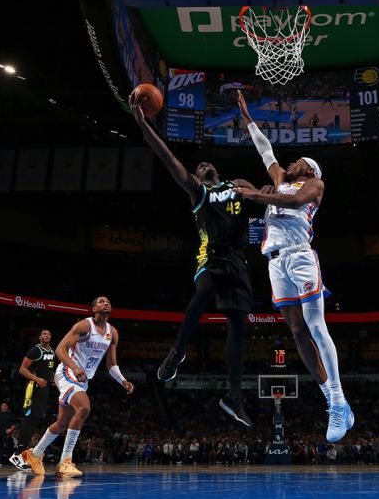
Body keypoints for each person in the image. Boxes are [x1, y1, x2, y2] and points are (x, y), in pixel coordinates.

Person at [235, 90, 353, 443]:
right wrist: (247, 117)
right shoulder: (280, 182)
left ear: (309, 169)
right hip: (275, 262)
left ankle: (337, 397)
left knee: (316, 326)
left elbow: (296, 199)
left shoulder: (313, 184)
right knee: (297, 333)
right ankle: (332, 400)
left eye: (298, 161)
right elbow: (264, 150)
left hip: (301, 257)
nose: (291, 163)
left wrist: (255, 195)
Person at [131, 92, 254, 428]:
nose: (202, 165)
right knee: (205, 290)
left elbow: (266, 197)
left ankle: (235, 398)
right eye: (198, 166)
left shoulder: (239, 184)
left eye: (205, 164)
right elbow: (168, 157)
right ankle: (178, 350)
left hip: (238, 260)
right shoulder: (199, 192)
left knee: (239, 327)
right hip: (209, 255)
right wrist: (144, 125)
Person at [21, 296, 134, 477]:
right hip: (67, 372)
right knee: (84, 407)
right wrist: (74, 366)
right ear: (93, 309)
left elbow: (111, 364)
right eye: (101, 301)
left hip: (82, 380)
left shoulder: (112, 333)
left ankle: (33, 455)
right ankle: (65, 461)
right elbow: (59, 349)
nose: (106, 303)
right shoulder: (84, 326)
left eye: (108, 301)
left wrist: (123, 380)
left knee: (62, 423)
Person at [9, 329, 55, 470]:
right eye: (44, 334)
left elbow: (49, 370)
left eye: (48, 334)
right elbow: (22, 369)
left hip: (44, 388)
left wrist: (52, 380)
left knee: (35, 420)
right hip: (33, 386)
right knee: (29, 419)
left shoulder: (52, 352)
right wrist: (36, 379)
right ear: (40, 337)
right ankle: (16, 454)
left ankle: (23, 454)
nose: (46, 335)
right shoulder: (35, 350)